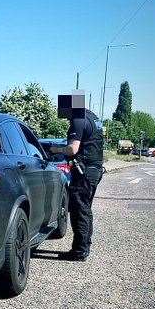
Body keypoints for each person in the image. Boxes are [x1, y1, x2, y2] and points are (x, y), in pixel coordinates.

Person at [50, 108, 104, 261]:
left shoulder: (78, 119)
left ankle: (79, 251)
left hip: (83, 171)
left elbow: (72, 148)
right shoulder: (94, 118)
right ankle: (84, 246)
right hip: (94, 169)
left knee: (79, 211)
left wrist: (55, 149)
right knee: (85, 210)